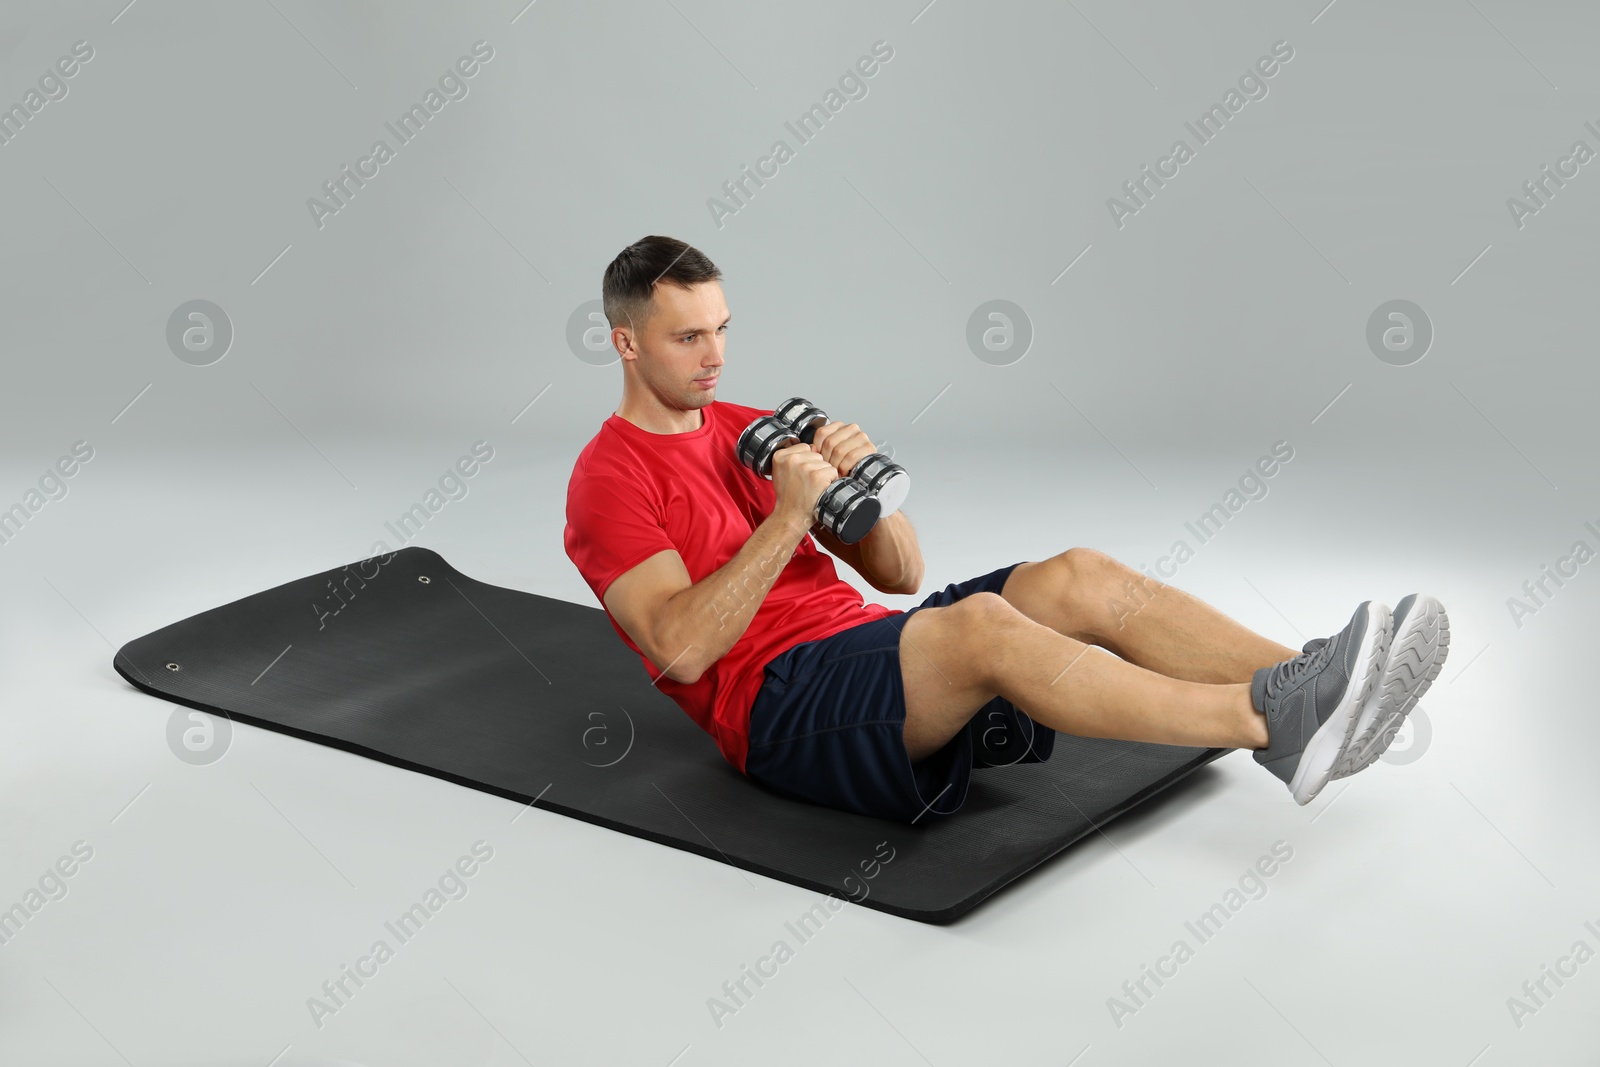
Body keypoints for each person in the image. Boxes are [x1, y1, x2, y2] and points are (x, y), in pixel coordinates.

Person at [562, 235, 1450, 824]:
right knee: (984, 627)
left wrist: (858, 493)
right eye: (687, 338)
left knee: (1073, 574)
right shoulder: (607, 478)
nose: (716, 356)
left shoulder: (749, 423)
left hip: (873, 648)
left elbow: (902, 575)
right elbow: (678, 650)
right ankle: (1271, 723)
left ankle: (1312, 675)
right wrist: (789, 513)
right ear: (627, 344)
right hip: (778, 706)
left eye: (721, 330)